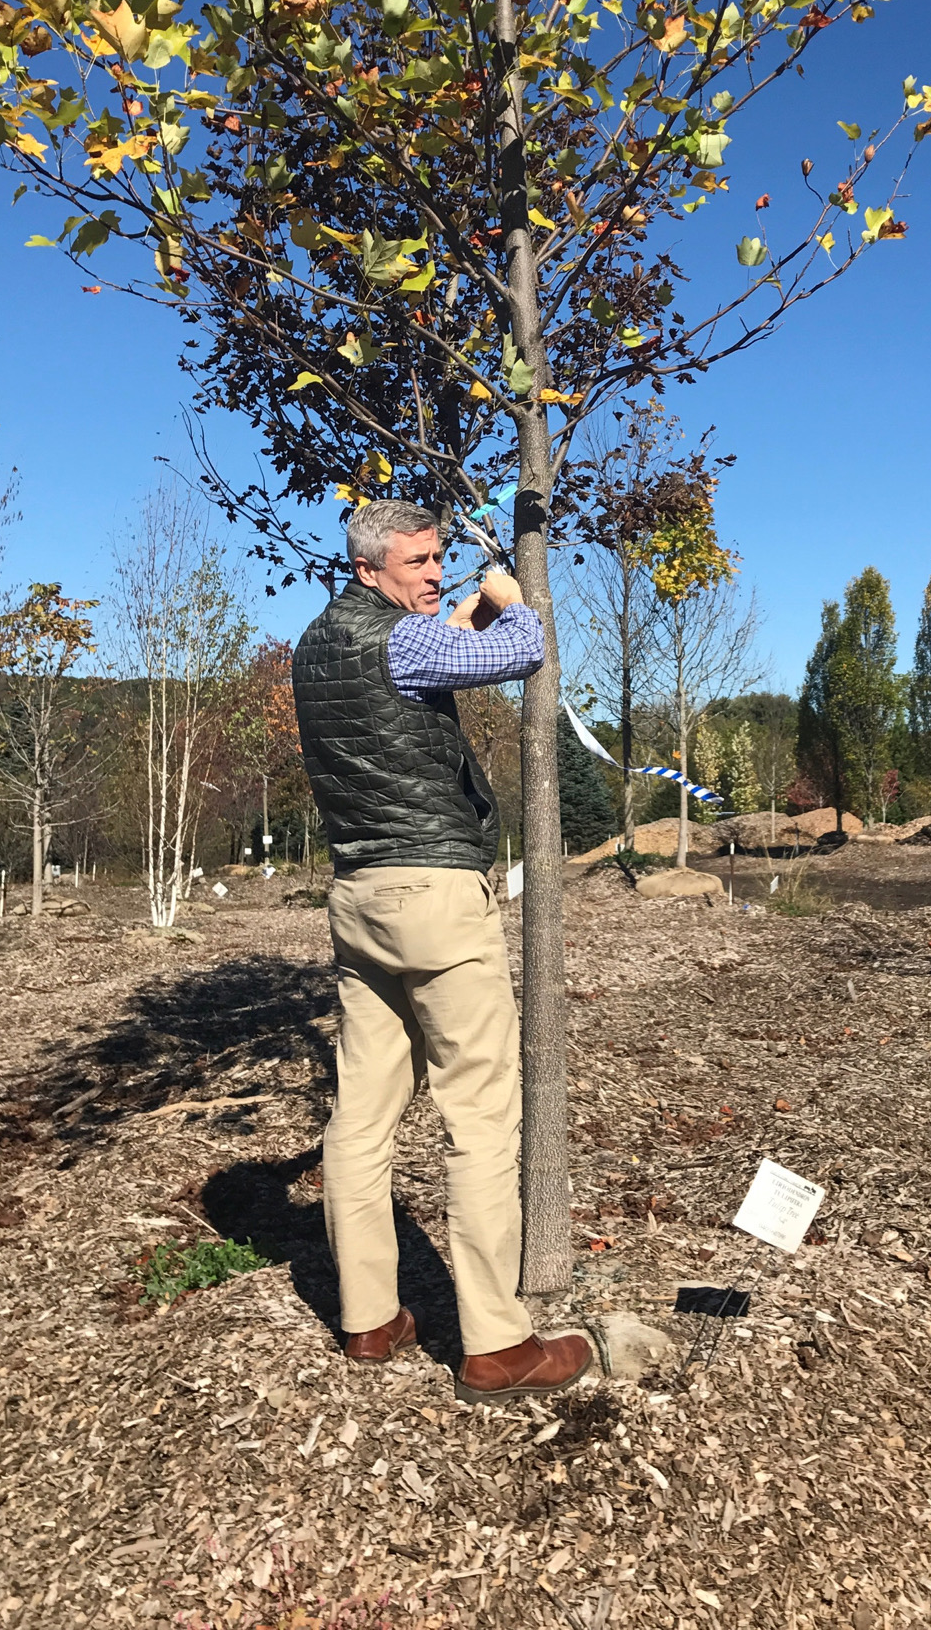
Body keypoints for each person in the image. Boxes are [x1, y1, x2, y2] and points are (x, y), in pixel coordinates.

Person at [291, 499, 593, 1404]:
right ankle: (498, 1344)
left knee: (363, 1111)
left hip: (357, 898)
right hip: (435, 896)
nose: (435, 573)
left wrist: (454, 612)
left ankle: (369, 1317)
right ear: (369, 569)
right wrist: (509, 595)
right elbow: (520, 651)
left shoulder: (317, 646)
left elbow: (416, 674)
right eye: (418, 562)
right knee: (481, 1113)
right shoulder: (404, 644)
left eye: (439, 560)